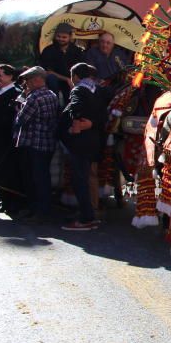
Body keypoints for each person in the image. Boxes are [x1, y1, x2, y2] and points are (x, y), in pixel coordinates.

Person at [59, 63, 107, 231]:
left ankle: (86, 218)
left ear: (75, 76)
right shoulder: (98, 90)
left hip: (80, 141)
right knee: (85, 178)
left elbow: (75, 108)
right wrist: (92, 123)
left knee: (79, 180)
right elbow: (103, 115)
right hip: (94, 139)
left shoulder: (78, 90)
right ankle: (88, 214)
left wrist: (76, 123)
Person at [13, 67, 60, 220]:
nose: (26, 84)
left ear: (36, 80)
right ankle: (43, 209)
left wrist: (19, 105)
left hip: (34, 143)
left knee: (36, 179)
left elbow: (21, 120)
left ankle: (39, 211)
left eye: (27, 81)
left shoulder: (34, 97)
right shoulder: (52, 94)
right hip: (48, 141)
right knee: (44, 177)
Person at [0, 64, 23, 213]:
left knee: (8, 171)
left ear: (10, 76)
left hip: (7, 139)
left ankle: (12, 203)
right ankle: (3, 200)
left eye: (0, 75)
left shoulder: (16, 93)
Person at [38, 23, 84, 95]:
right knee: (51, 78)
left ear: (70, 37)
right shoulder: (48, 50)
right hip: (56, 81)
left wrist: (74, 80)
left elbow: (81, 69)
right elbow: (48, 71)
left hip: (73, 81)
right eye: (58, 36)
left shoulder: (77, 51)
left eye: (64, 37)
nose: (61, 39)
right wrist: (67, 79)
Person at [83, 31, 130, 97]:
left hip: (115, 88)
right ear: (99, 42)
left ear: (113, 44)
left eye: (108, 43)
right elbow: (89, 71)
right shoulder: (92, 52)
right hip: (96, 86)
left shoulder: (120, 54)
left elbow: (125, 70)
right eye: (102, 42)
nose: (105, 45)